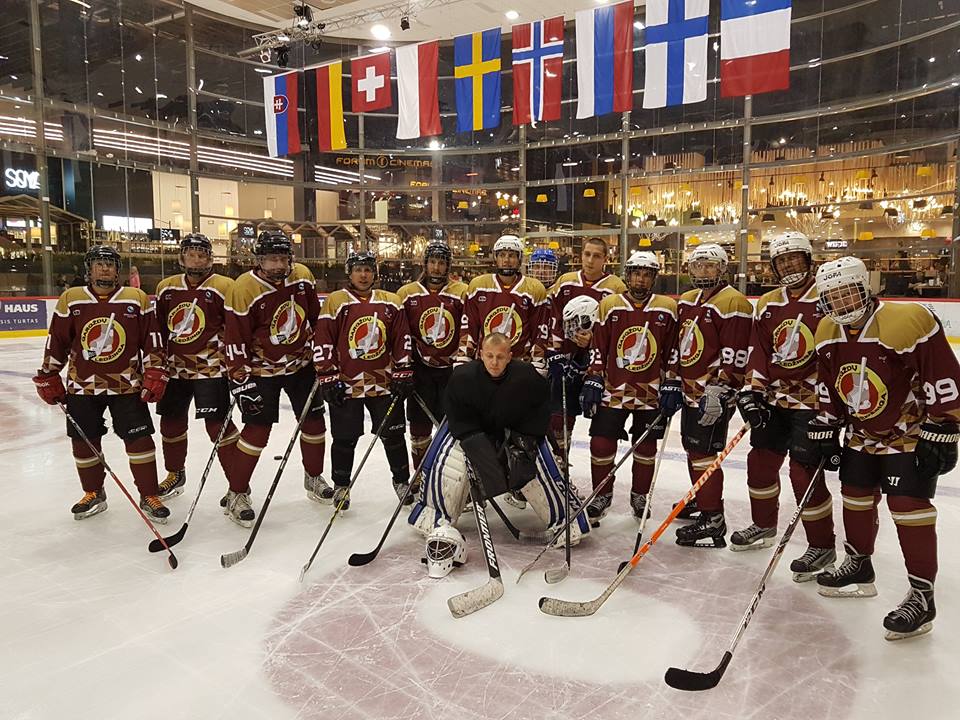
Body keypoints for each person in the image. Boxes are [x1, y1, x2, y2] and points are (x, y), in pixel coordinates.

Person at [808, 256, 960, 640]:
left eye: (847, 293)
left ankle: (922, 597)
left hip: (910, 432)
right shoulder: (826, 330)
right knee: (855, 496)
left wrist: (945, 426)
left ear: (865, 288)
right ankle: (859, 563)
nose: (841, 304)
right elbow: (829, 385)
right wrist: (827, 424)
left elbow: (940, 373)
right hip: (861, 433)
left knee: (908, 508)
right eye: (832, 297)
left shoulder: (906, 320)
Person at [407, 332, 590, 578]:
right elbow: (455, 417)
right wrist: (476, 444)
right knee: (450, 464)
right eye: (490, 356)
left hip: (514, 431)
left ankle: (564, 520)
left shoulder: (527, 377)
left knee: (539, 464)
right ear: (480, 354)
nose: (494, 362)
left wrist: (526, 441)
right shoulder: (462, 378)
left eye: (500, 357)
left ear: (510, 357)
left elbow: (539, 411)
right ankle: (436, 517)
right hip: (470, 432)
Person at [31, 245, 170, 523]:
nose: (104, 268)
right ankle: (94, 493)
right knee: (84, 443)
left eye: (110, 263)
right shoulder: (71, 299)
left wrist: (156, 370)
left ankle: (149, 493)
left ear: (118, 270)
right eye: (99, 263)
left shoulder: (136, 298)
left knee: (140, 441)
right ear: (89, 268)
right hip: (82, 386)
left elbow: (152, 339)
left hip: (127, 385)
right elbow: (56, 340)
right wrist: (49, 373)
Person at [731, 231, 837, 580]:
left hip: (816, 401)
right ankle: (763, 525)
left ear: (809, 260)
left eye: (794, 257)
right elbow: (760, 348)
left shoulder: (828, 295)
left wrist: (833, 402)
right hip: (775, 398)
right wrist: (753, 389)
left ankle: (822, 545)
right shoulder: (770, 302)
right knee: (760, 462)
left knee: (803, 471)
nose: (788, 264)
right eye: (781, 260)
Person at [222, 231, 327, 527]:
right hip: (261, 370)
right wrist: (239, 378)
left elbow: (315, 319)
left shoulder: (302, 276)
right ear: (259, 260)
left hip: (301, 365)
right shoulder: (244, 287)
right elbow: (235, 336)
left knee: (315, 423)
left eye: (282, 258)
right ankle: (237, 493)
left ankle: (314, 477)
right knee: (257, 432)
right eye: (271, 259)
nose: (278, 265)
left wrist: (320, 353)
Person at [659, 243, 752, 548]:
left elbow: (736, 354)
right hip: (689, 390)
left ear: (722, 268)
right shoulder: (687, 300)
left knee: (703, 453)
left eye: (709, 265)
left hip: (713, 394)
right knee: (693, 449)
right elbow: (679, 344)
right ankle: (703, 497)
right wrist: (673, 378)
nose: (702, 271)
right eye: (697, 266)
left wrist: (723, 387)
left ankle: (713, 517)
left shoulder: (734, 302)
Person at [579, 251, 676, 525]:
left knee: (646, 448)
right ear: (627, 274)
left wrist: (672, 382)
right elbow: (599, 345)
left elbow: (672, 350)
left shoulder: (667, 307)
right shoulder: (609, 304)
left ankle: (640, 495)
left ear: (654, 278)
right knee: (600, 443)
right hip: (614, 388)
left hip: (651, 391)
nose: (641, 279)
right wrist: (594, 376)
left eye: (647, 274)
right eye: (636, 273)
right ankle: (601, 494)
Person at [314, 250, 413, 510]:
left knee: (393, 436)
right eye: (358, 269)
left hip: (383, 382)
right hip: (346, 383)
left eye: (368, 269)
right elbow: (323, 338)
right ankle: (341, 486)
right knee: (345, 438)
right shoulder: (336, 301)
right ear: (349, 272)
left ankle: (402, 481)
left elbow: (402, 338)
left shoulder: (391, 302)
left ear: (374, 273)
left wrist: (403, 370)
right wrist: (327, 375)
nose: (363, 274)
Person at [154, 233, 240, 501]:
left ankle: (238, 484)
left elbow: (236, 327)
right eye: (191, 254)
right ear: (181, 258)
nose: (196, 259)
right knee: (170, 424)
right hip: (175, 369)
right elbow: (157, 330)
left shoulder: (225, 286)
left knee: (218, 426)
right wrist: (154, 365)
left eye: (201, 254)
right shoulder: (166, 287)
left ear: (210, 259)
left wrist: (237, 363)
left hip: (211, 368)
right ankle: (175, 473)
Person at [546, 237, 626, 454]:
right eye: (587, 254)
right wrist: (555, 352)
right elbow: (553, 317)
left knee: (602, 430)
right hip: (567, 361)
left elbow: (620, 330)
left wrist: (595, 340)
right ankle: (560, 466)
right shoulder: (565, 281)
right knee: (559, 420)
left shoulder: (616, 288)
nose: (590, 260)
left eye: (597, 256)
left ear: (606, 259)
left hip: (600, 366)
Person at [396, 239, 467, 469]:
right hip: (420, 371)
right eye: (433, 262)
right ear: (425, 264)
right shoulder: (406, 293)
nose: (437, 268)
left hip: (451, 370)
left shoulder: (462, 292)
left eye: (441, 263)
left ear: (449, 266)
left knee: (453, 426)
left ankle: (450, 477)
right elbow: (398, 333)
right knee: (419, 427)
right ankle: (422, 473)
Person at [456, 233, 549, 369]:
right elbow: (469, 326)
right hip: (487, 362)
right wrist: (464, 356)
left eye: (511, 255)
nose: (506, 260)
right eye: (502, 255)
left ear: (519, 258)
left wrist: (538, 361)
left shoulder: (534, 289)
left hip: (520, 363)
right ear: (496, 257)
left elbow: (540, 329)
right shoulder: (479, 286)